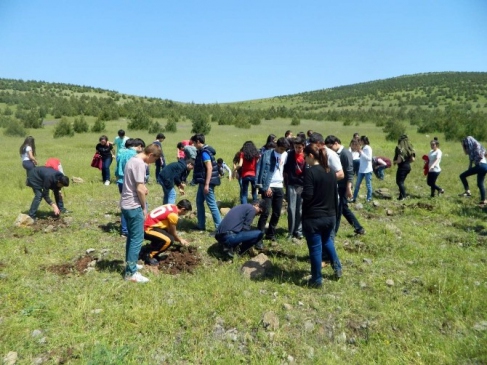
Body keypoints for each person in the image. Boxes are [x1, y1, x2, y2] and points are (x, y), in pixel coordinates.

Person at [302, 144, 342, 287]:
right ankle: (337, 267)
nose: (304, 160)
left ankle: (317, 279)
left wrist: (301, 193)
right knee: (327, 241)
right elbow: (333, 194)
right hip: (330, 216)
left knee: (315, 248)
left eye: (305, 156)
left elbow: (308, 195)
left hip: (314, 217)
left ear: (311, 156)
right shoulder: (330, 171)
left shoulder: (310, 172)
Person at [121, 143, 161, 283]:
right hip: (134, 206)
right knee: (137, 239)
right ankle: (131, 273)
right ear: (151, 155)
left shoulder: (132, 160)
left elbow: (137, 185)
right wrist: (144, 207)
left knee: (131, 237)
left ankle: (130, 263)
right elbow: (138, 188)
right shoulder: (140, 164)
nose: (153, 163)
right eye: (154, 160)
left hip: (125, 204)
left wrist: (143, 188)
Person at [325, 135, 365, 235]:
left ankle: (333, 232)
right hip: (339, 185)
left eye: (330, 147)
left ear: (336, 143)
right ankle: (359, 228)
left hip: (344, 186)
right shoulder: (337, 153)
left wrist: (348, 188)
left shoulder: (345, 153)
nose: (330, 150)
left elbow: (349, 172)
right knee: (343, 208)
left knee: (339, 208)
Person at [255, 137, 290, 247]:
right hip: (269, 186)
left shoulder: (286, 155)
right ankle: (258, 237)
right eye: (281, 148)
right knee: (265, 212)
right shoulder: (267, 154)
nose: (282, 151)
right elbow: (259, 170)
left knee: (277, 212)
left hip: (279, 186)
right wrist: (265, 187)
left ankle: (271, 233)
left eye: (284, 149)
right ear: (276, 146)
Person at [142, 199, 192, 265]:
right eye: (186, 212)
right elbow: (172, 233)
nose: (185, 214)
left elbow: (168, 229)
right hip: (146, 229)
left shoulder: (171, 206)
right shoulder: (174, 215)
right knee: (169, 240)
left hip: (147, 224)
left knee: (166, 235)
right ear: (183, 209)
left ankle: (152, 247)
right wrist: (181, 240)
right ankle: (149, 256)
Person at [191, 134, 222, 231]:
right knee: (199, 202)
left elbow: (209, 168)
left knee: (212, 205)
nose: (193, 145)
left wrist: (207, 184)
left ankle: (219, 228)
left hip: (206, 182)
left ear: (198, 142)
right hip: (202, 182)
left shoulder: (204, 153)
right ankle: (201, 225)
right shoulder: (201, 152)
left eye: (194, 143)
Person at [116, 138, 146, 237]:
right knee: (133, 205)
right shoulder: (134, 155)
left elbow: (117, 168)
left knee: (125, 204)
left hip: (120, 180)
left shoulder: (121, 153)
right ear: (139, 146)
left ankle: (125, 230)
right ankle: (128, 230)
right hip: (129, 182)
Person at [283, 136, 305, 240]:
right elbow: (286, 169)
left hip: (301, 185)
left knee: (299, 208)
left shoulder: (306, 155)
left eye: (299, 147)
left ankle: (298, 230)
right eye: (295, 147)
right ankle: (290, 231)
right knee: (291, 208)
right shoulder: (290, 154)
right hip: (291, 184)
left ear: (303, 146)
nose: (297, 149)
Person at [459, 136, 487, 206]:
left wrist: (463, 146)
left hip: (480, 166)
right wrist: (470, 166)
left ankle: (467, 192)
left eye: (466, 143)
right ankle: (484, 200)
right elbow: (484, 154)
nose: (466, 145)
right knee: (480, 184)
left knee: (462, 176)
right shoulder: (479, 145)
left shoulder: (474, 147)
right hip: (484, 166)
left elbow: (466, 153)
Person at [394, 134, 416, 201]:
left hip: (402, 167)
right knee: (401, 182)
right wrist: (407, 162)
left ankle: (404, 196)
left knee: (399, 182)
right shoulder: (409, 148)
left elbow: (399, 160)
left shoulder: (400, 148)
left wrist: (394, 162)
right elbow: (413, 159)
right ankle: (400, 197)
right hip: (408, 166)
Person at [352, 136, 373, 202]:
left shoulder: (368, 148)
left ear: (363, 141)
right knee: (357, 184)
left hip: (367, 169)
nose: (359, 142)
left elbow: (369, 158)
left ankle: (369, 198)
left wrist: (361, 152)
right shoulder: (363, 148)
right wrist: (360, 153)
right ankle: (354, 198)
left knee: (368, 184)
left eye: (360, 141)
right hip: (361, 169)